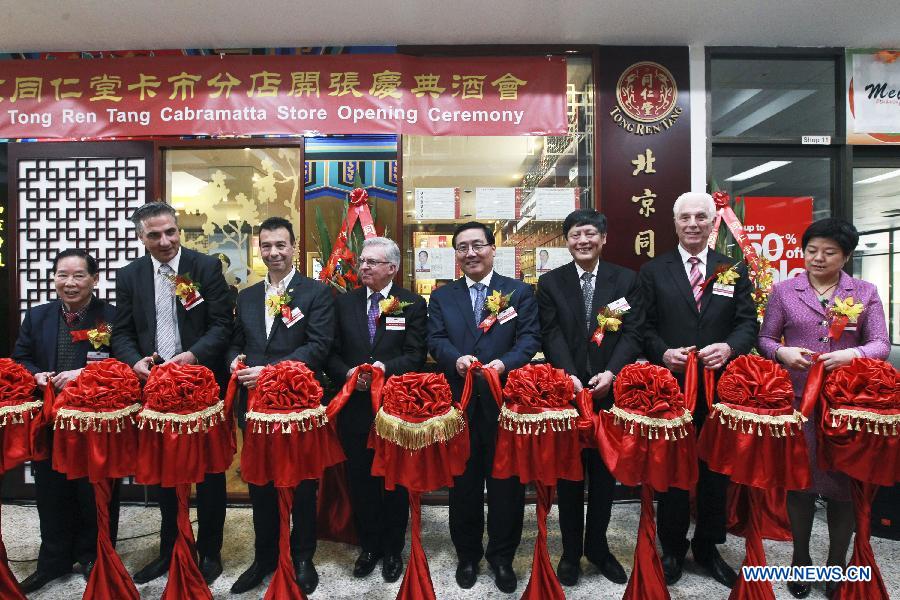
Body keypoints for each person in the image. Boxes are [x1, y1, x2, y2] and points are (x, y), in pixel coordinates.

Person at [758, 217, 889, 599]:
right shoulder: (785, 290)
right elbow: (766, 337)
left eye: (829, 252)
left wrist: (853, 353)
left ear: (845, 256)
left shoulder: (863, 292)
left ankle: (836, 562)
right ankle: (800, 559)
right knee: (800, 483)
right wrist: (782, 351)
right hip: (799, 402)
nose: (817, 258)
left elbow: (881, 342)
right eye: (811, 250)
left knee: (842, 488)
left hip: (848, 404)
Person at [639, 192, 758, 589]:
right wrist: (663, 352)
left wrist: (729, 347)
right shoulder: (654, 271)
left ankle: (708, 546)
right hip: (670, 390)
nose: (693, 224)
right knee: (672, 471)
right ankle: (671, 548)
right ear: (674, 224)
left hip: (718, 388)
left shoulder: (731, 269)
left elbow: (746, 324)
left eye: (701, 217)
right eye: (685, 217)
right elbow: (643, 327)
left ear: (713, 224)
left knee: (715, 472)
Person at [111, 202, 232, 585]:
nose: (165, 241)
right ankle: (170, 549)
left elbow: (221, 326)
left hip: (201, 382)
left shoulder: (205, 267)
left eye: (170, 232)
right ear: (140, 237)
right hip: (155, 387)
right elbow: (123, 331)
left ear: (179, 230)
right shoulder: (129, 275)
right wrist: (135, 362)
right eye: (154, 235)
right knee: (166, 473)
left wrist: (192, 356)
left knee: (210, 473)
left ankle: (210, 553)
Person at [427, 221, 541, 594]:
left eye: (478, 245)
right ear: (456, 254)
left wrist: (503, 365)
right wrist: (456, 360)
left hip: (505, 403)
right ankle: (467, 555)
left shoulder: (518, 292)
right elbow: (436, 339)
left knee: (508, 485)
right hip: (460, 405)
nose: (471, 253)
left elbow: (529, 338)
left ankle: (502, 557)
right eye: (463, 247)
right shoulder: (443, 297)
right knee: (464, 486)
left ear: (494, 249)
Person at [226, 216, 334, 595]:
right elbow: (236, 342)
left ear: (294, 247)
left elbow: (318, 347)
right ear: (260, 249)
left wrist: (268, 372)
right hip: (253, 407)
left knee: (302, 485)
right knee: (260, 484)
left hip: (296, 406)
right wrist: (234, 361)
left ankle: (302, 556)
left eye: (281, 245)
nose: (274, 253)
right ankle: (265, 556)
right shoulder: (247, 296)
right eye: (267, 246)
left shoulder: (316, 293)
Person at [536, 209, 643, 587]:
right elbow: (550, 335)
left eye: (590, 234)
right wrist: (568, 377)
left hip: (609, 393)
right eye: (575, 235)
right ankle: (569, 550)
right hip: (567, 395)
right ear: (567, 241)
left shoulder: (626, 280)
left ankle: (597, 547)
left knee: (603, 476)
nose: (582, 241)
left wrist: (611, 373)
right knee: (568, 474)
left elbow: (631, 333)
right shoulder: (550, 283)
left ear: (603, 238)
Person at [12, 249, 119, 593]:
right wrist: (36, 375)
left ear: (94, 279)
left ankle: (94, 555)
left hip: (93, 419)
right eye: (62, 275)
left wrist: (84, 373)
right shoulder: (38, 316)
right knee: (51, 489)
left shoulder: (112, 317)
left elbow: (120, 363)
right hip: (50, 417)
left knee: (94, 490)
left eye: (78, 276)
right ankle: (54, 559)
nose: (69, 283)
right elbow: (21, 357)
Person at [326, 237, 426, 584]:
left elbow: (415, 354)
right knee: (362, 479)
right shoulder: (344, 303)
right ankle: (368, 545)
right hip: (354, 407)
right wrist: (349, 373)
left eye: (372, 262)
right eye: (362, 261)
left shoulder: (411, 303)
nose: (363, 266)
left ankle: (393, 548)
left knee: (394, 481)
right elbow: (332, 353)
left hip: (394, 409)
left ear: (392, 268)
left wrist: (383, 369)